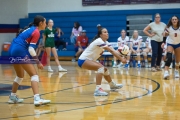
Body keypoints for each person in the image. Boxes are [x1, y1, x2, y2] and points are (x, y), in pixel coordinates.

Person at [8, 15, 51, 106]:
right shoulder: (36, 32)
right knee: (34, 75)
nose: (46, 24)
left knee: (20, 76)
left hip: (12, 49)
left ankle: (12, 97)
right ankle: (37, 98)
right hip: (19, 50)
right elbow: (31, 49)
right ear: (41, 23)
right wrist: (38, 62)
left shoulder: (31, 28)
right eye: (45, 22)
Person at [77, 28, 127, 96]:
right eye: (105, 32)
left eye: (107, 32)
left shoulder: (106, 42)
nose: (107, 33)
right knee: (101, 68)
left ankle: (112, 85)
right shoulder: (99, 41)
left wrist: (122, 53)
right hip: (83, 60)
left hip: (89, 60)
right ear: (100, 35)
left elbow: (114, 51)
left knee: (105, 69)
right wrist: (121, 59)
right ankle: (98, 90)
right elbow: (111, 51)